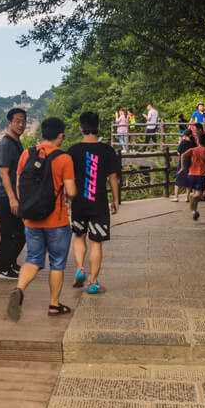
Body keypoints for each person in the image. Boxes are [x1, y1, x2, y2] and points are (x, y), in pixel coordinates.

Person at [6, 117, 76, 321]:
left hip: (31, 220)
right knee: (57, 263)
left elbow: (19, 185)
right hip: (57, 221)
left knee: (33, 259)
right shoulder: (64, 158)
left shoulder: (27, 154)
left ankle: (20, 289)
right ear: (60, 135)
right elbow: (70, 191)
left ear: (43, 133)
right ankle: (54, 305)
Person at [67, 112, 120, 295]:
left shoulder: (72, 151)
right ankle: (93, 282)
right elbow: (113, 178)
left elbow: (68, 179)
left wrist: (67, 200)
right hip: (98, 203)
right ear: (98, 127)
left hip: (79, 203)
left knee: (79, 237)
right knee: (96, 242)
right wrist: (116, 200)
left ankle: (80, 269)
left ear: (81, 128)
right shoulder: (107, 150)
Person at [0, 108, 27, 280]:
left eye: (23, 121)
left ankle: (11, 263)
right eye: (17, 121)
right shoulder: (6, 144)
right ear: (9, 122)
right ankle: (3, 268)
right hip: (7, 196)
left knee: (19, 232)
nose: (21, 124)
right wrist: (12, 198)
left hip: (15, 196)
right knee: (8, 233)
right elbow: (4, 173)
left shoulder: (16, 142)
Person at [183, 133, 205, 221]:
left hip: (191, 174)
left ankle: (194, 212)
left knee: (195, 193)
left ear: (197, 141)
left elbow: (183, 155)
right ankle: (192, 198)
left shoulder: (193, 149)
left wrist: (182, 167)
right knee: (198, 195)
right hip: (202, 174)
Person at [172, 131, 195, 202]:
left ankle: (176, 197)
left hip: (182, 162)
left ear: (185, 136)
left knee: (178, 180)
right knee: (188, 180)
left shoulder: (183, 142)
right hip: (190, 162)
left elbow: (178, 152)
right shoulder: (193, 143)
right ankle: (187, 198)